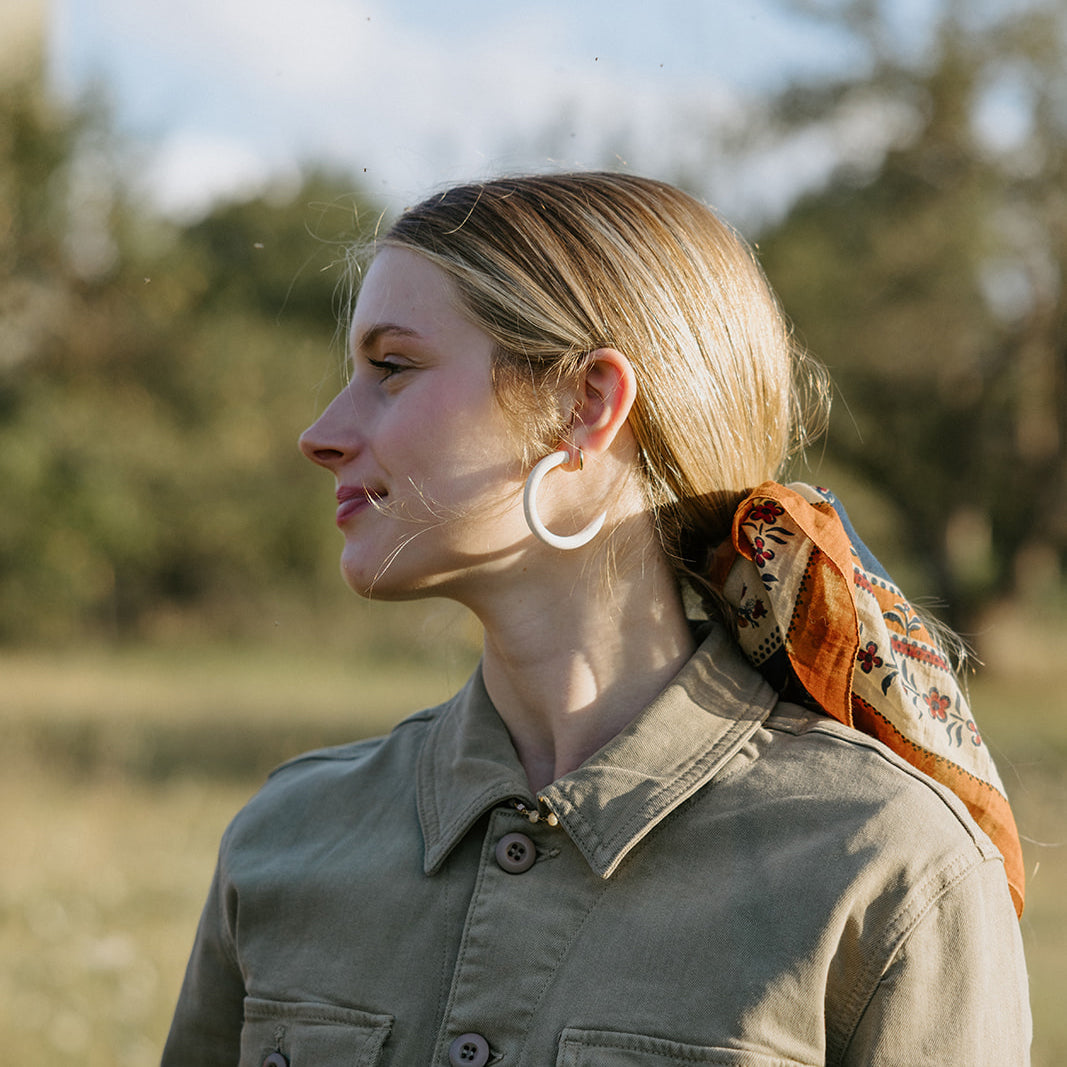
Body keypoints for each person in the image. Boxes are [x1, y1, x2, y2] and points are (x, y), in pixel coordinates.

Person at [162, 172, 1030, 1066]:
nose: (321, 432)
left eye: (391, 367)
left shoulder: (885, 866)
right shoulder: (285, 840)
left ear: (585, 408)